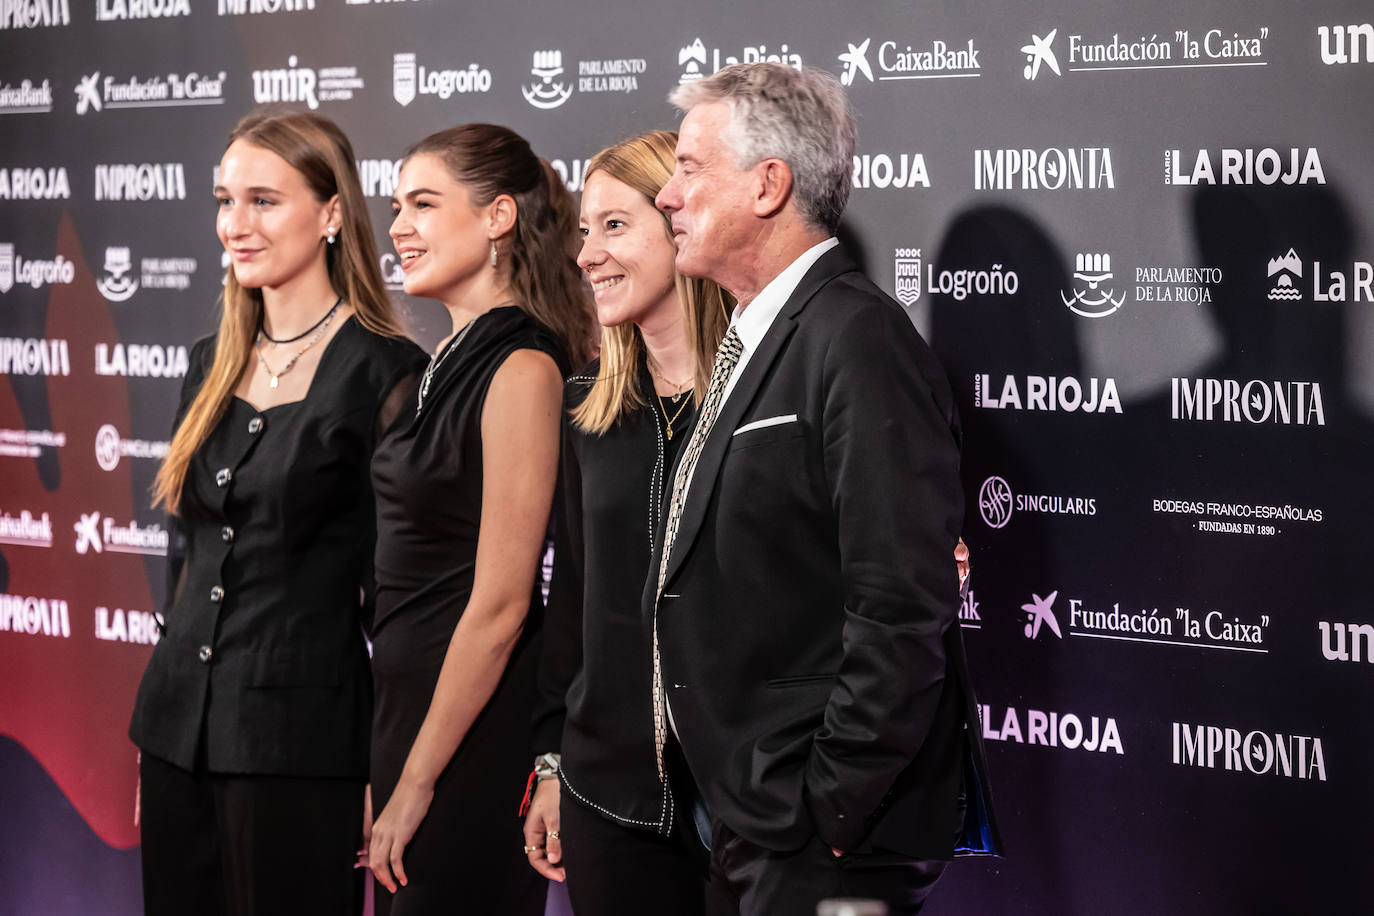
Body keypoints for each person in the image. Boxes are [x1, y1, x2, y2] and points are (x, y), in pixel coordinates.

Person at [647, 63, 1002, 915]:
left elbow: (901, 601)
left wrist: (829, 805)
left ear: (769, 185)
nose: (667, 194)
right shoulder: (762, 337)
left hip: (818, 836)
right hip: (752, 819)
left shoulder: (858, 337)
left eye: (691, 167)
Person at [129, 110, 427, 916]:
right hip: (174, 739)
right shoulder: (206, 364)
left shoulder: (387, 373)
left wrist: (386, 766)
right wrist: (167, 734)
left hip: (301, 748)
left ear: (331, 213)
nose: (235, 224)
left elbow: (395, 598)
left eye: (263, 200)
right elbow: (185, 560)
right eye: (225, 200)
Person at [367, 123, 592, 915]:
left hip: (471, 733)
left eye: (423, 204)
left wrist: (419, 779)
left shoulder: (524, 367)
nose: (399, 226)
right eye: (396, 206)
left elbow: (500, 607)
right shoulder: (441, 367)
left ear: (498, 216)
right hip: (413, 715)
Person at [521, 130, 732, 915]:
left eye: (615, 225)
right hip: (610, 802)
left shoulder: (768, 401)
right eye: (583, 230)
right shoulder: (587, 410)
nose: (586, 256)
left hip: (750, 809)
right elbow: (571, 604)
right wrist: (552, 765)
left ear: (682, 223)